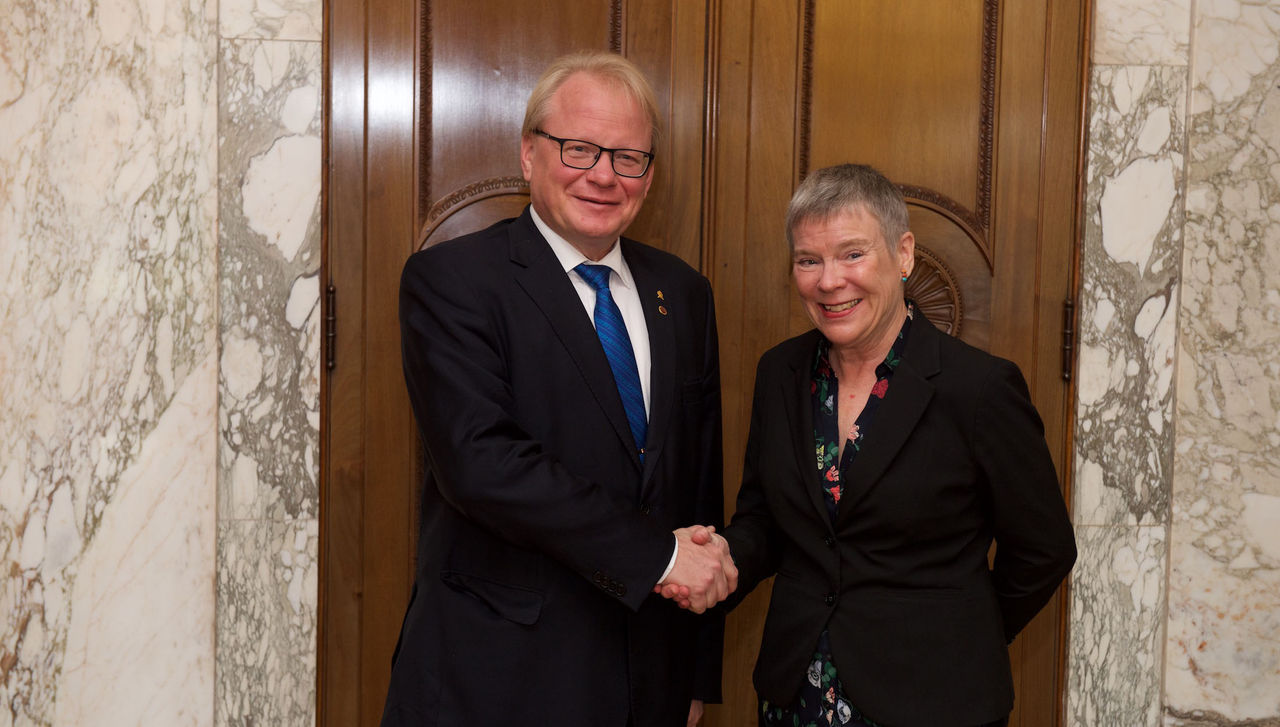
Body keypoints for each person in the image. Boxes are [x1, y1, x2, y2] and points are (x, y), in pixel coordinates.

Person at [380, 51, 734, 727]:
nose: (603, 174)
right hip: (499, 678)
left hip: (647, 678)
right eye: (578, 149)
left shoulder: (683, 293)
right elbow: (482, 465)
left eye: (628, 157)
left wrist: (694, 675)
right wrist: (659, 556)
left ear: (649, 175)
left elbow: (697, 486)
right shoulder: (452, 281)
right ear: (529, 154)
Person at [667, 164, 1077, 726]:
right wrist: (720, 561)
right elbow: (766, 518)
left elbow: (1044, 548)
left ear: (903, 254)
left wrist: (960, 638)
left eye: (852, 254)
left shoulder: (979, 388)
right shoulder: (781, 373)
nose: (829, 280)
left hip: (933, 702)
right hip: (797, 695)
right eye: (809, 260)